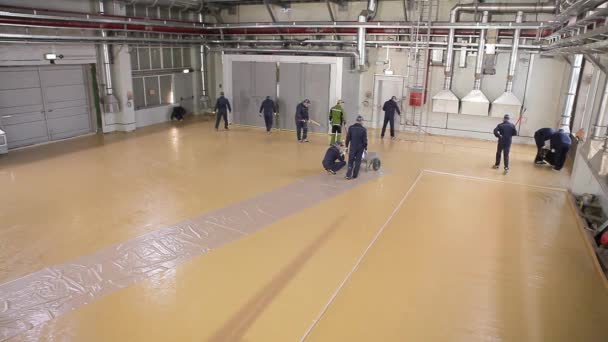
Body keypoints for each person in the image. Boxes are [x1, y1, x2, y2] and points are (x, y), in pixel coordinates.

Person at [345, 115, 368, 180]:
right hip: (360, 148)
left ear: (356, 120)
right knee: (358, 161)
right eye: (362, 121)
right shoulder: (363, 129)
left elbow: (348, 138)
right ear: (361, 121)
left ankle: (348, 175)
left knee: (350, 160)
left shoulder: (351, 128)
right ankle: (355, 175)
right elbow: (365, 141)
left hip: (353, 147)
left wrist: (346, 147)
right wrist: (366, 148)